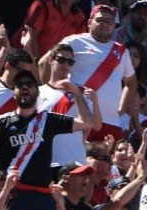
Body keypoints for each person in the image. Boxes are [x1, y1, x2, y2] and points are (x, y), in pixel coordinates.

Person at [0, 69, 94, 210]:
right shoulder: (1, 122)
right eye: (20, 85)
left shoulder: (48, 120)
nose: (25, 87)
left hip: (44, 196)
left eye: (30, 84)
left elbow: (88, 122)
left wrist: (76, 94)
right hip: (16, 194)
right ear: (14, 93)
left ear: (38, 91)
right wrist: (0, 177)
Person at [52, 4, 137, 140]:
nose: (105, 24)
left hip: (110, 121)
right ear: (90, 22)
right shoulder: (73, 41)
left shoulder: (122, 51)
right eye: (100, 20)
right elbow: (46, 63)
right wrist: (52, 93)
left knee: (104, 160)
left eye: (109, 22)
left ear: (114, 26)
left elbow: (131, 83)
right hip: (77, 116)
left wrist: (120, 110)